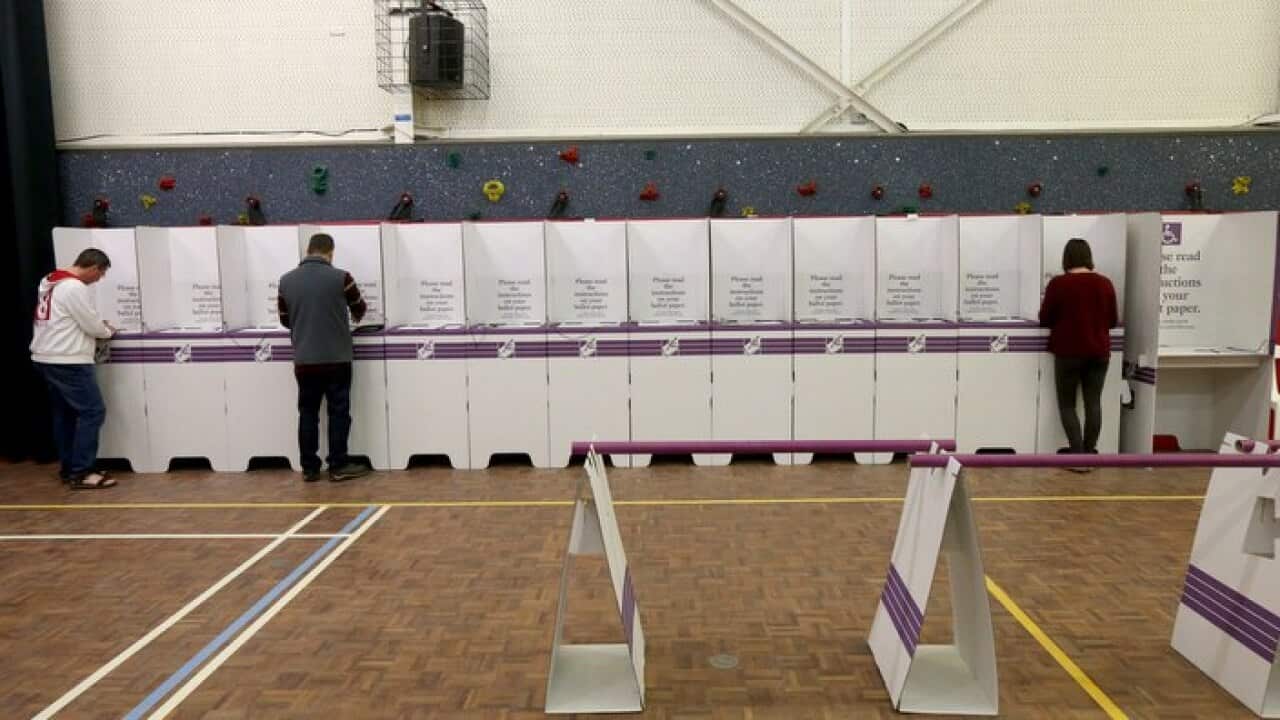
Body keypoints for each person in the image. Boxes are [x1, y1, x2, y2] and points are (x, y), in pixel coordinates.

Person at [277, 233, 372, 483]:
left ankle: (309, 468)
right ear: (330, 252)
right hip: (337, 358)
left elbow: (285, 320)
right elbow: (360, 310)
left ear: (308, 250)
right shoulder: (342, 278)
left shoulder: (286, 281)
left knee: (307, 412)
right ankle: (338, 465)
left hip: (305, 360)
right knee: (338, 412)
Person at [30, 248, 118, 489]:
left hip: (45, 356)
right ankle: (83, 472)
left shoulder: (50, 281)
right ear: (93, 268)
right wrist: (107, 330)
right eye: (100, 274)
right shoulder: (74, 287)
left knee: (65, 415)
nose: (98, 280)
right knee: (93, 411)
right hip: (68, 358)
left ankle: (69, 468)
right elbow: (90, 323)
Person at [1039, 237, 1119, 470]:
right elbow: (1112, 321)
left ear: (1066, 258)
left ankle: (1077, 457)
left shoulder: (1058, 284)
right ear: (1088, 257)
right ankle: (1090, 454)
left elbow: (1045, 319)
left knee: (1067, 404)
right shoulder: (1105, 283)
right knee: (1094, 403)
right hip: (1099, 351)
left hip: (1068, 351)